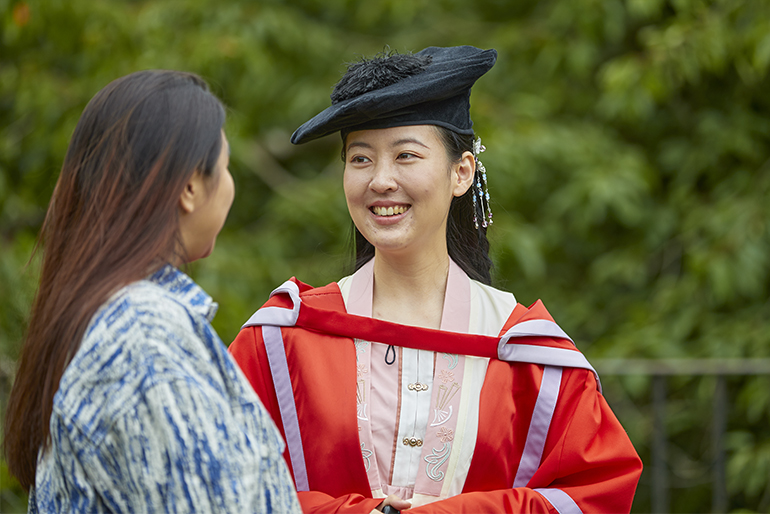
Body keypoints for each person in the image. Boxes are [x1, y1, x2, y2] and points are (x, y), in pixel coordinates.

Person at [229, 46, 642, 513]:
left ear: (461, 172)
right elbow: (214, 487)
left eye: (406, 155)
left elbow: (595, 495)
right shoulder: (284, 339)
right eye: (360, 159)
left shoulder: (524, 352)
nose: (381, 180)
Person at [3, 70, 301, 513]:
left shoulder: (98, 316)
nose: (229, 184)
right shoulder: (146, 338)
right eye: (225, 165)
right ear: (188, 187)